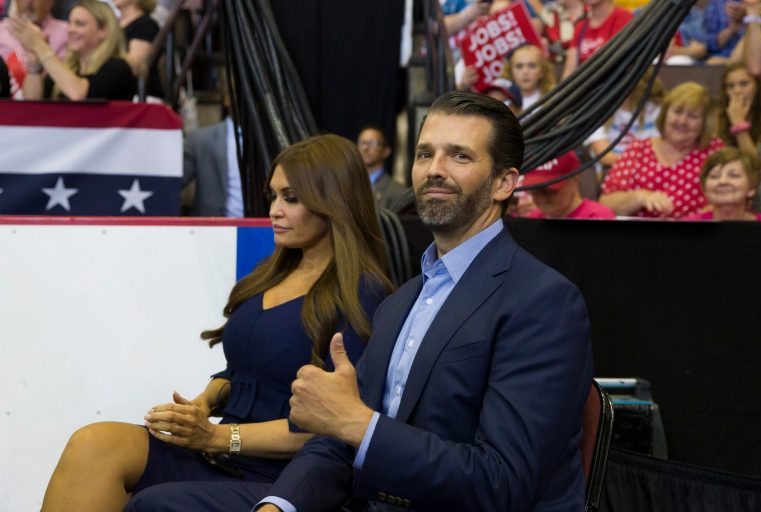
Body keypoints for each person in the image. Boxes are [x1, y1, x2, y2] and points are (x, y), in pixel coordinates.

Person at [125, 91, 594, 512]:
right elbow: (333, 442)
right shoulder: (403, 303)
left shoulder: (543, 302)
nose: (434, 169)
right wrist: (279, 506)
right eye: (426, 153)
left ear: (504, 183)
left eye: (460, 156)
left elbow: (504, 483)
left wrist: (360, 425)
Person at [40, 134, 393, 512]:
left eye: (290, 198)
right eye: (272, 196)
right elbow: (239, 372)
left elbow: (336, 429)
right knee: (92, 443)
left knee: (154, 503)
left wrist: (217, 436)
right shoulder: (270, 271)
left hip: (285, 478)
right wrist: (202, 405)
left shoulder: (363, 294)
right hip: (220, 452)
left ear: (332, 201)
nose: (274, 209)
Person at [600, 82, 724, 218]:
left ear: (705, 122)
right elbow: (605, 204)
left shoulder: (715, 152)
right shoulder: (638, 150)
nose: (682, 121)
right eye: (677, 112)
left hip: (696, 234)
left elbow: (731, 201)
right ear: (665, 114)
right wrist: (640, 197)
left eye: (692, 116)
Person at [8, 0, 135, 100]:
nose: (70, 30)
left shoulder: (118, 67)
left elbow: (78, 94)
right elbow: (32, 104)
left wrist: (40, 46)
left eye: (79, 24)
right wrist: (34, 63)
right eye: (70, 23)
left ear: (103, 31)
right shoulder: (68, 68)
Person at [584, 67, 665, 178]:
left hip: (652, 173)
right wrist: (639, 164)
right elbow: (605, 156)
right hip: (613, 174)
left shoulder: (656, 109)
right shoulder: (599, 110)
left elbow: (662, 149)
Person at [522, 150, 616, 218]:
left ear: (575, 180)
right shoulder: (534, 218)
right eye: (534, 192)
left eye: (550, 191)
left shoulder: (598, 217)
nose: (542, 199)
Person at [685, 146, 761, 220]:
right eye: (715, 176)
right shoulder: (687, 228)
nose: (723, 181)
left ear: (751, 188)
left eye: (734, 175)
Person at [561, 0, 632, 79]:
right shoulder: (581, 27)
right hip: (586, 87)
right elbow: (569, 72)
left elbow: (621, 66)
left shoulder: (622, 17)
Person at [357, 125, 415, 213]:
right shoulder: (347, 185)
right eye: (362, 143)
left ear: (386, 151)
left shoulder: (399, 193)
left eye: (373, 143)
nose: (365, 148)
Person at [717, 61, 761, 158]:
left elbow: (756, 167)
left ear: (758, 87)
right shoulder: (718, 116)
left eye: (744, 84)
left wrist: (738, 123)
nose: (737, 91)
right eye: (730, 86)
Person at [114, 0, 161, 98]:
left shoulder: (146, 24)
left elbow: (136, 66)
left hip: (135, 93)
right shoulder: (112, 23)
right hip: (115, 87)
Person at [502, 43, 556, 111]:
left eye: (532, 66)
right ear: (511, 71)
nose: (525, 72)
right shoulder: (502, 102)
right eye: (519, 66)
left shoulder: (553, 99)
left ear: (542, 71)